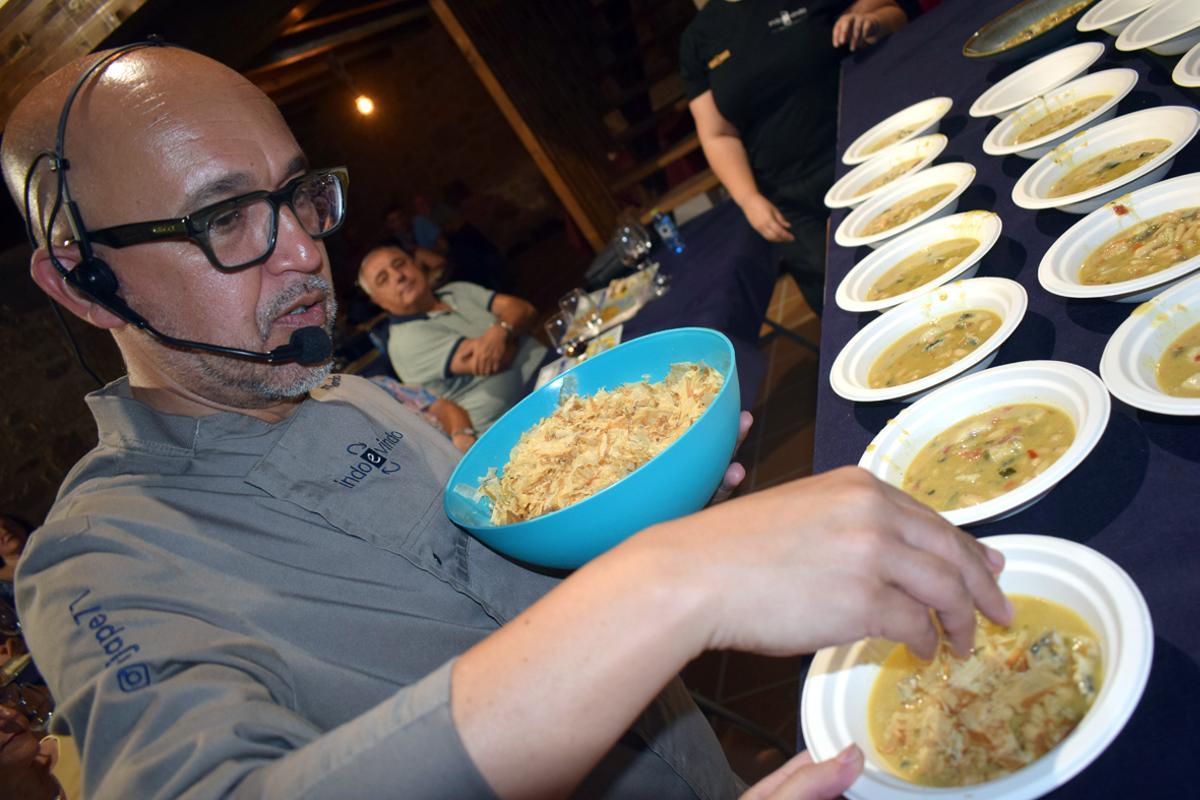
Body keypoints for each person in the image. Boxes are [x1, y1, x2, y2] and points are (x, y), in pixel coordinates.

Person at [2, 43, 1009, 800]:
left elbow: (511, 596)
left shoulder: (354, 394)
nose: (304, 252)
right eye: (224, 219)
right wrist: (668, 579)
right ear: (84, 282)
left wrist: (629, 514)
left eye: (300, 196)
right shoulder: (97, 563)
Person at [681, 0, 917, 315]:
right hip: (790, 200)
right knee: (844, 305)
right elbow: (716, 134)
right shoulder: (698, 38)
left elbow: (897, 12)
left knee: (910, 262)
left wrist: (873, 24)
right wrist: (749, 199)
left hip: (864, 161)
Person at [357, 243, 546, 432]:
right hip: (515, 418)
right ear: (377, 300)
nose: (398, 276)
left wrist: (501, 330)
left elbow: (526, 309)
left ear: (415, 263)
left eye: (399, 264)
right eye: (383, 279)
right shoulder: (405, 341)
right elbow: (497, 359)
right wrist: (514, 326)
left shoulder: (457, 290)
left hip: (546, 371)